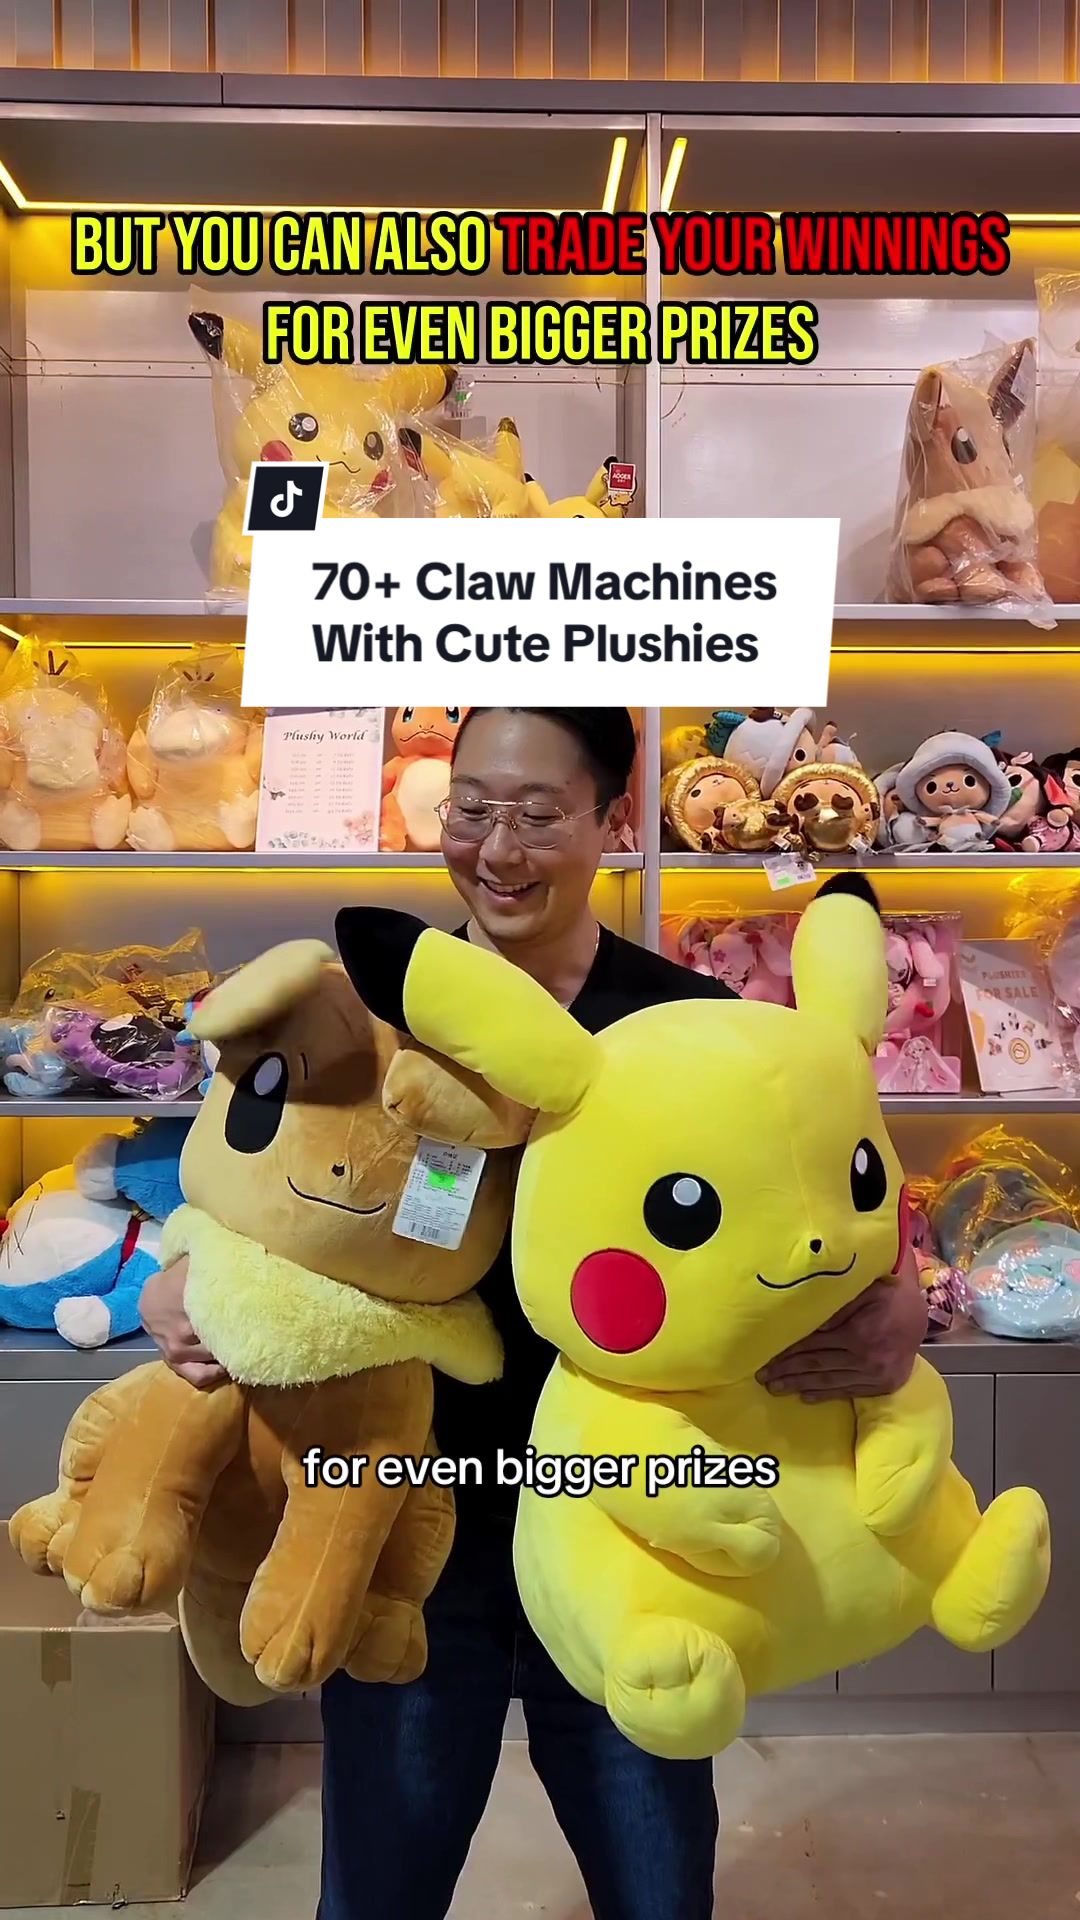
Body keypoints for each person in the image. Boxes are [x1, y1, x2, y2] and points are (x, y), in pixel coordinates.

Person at [140, 707, 928, 1920]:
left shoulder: (688, 1028)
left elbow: (824, 1196)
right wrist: (180, 1271)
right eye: (471, 808)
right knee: (378, 1890)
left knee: (656, 1884)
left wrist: (899, 1297)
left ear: (613, 821)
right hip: (406, 1513)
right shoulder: (371, 1017)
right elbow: (249, 1185)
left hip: (630, 1526)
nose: (496, 848)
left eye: (538, 814)